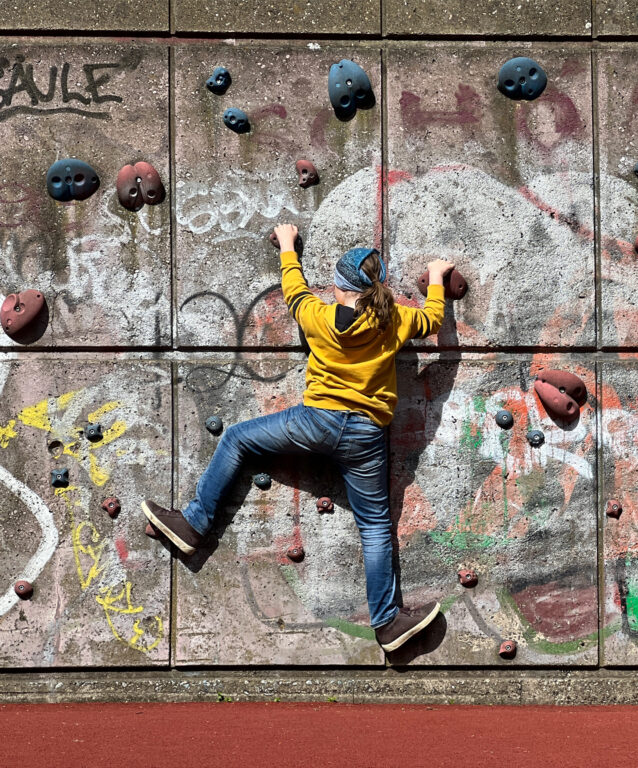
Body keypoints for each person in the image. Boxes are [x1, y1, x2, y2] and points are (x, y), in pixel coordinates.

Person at [143, 223, 452, 653]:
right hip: (365, 433)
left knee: (236, 439)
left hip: (315, 423)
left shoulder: (319, 316)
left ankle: (194, 525)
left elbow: (294, 290)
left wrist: (288, 246)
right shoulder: (394, 319)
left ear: (339, 284)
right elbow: (434, 319)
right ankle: (386, 623)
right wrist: (436, 276)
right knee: (376, 526)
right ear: (379, 284)